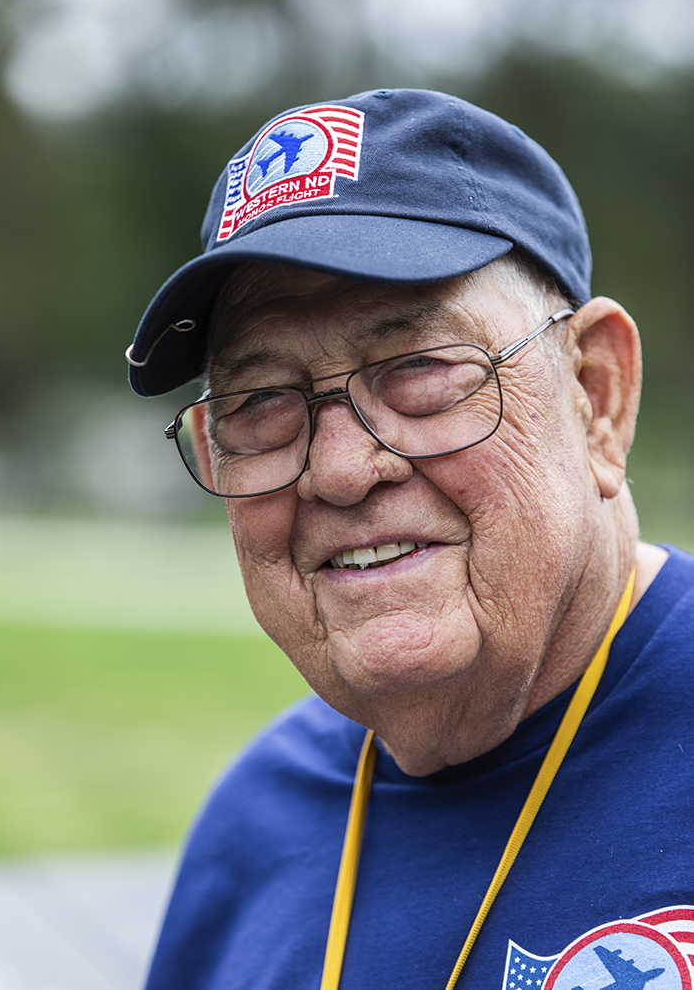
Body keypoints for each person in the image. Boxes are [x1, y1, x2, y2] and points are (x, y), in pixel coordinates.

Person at [127, 89, 694, 990]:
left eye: (420, 368)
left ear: (596, 395)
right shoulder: (253, 829)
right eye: (260, 402)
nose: (342, 470)